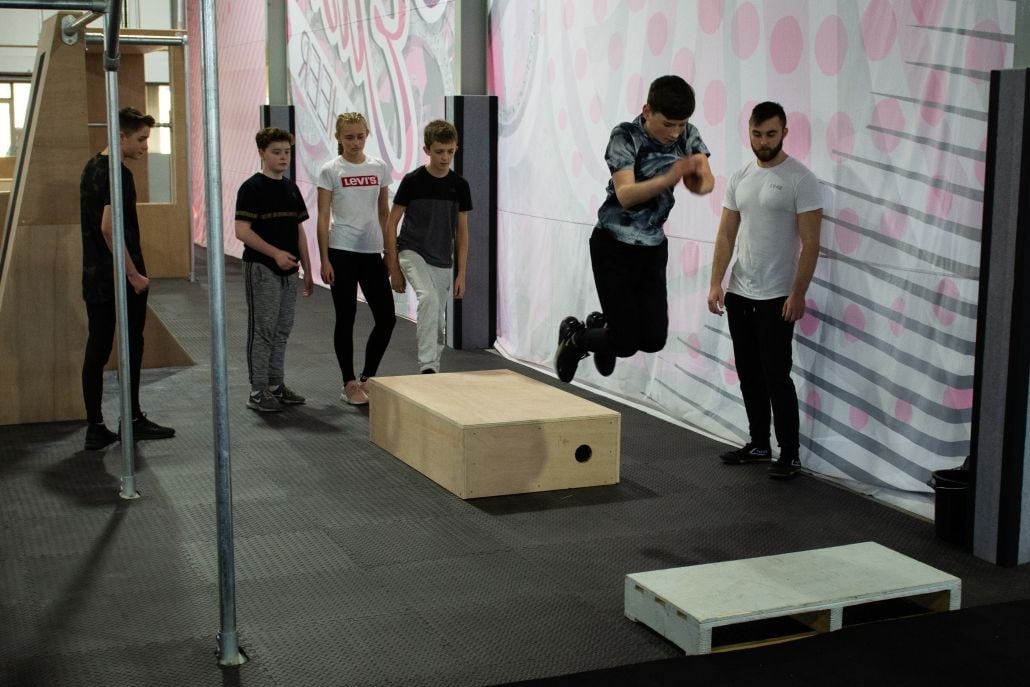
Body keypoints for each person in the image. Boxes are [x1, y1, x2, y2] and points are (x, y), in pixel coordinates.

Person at [554, 75, 714, 383]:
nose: (675, 132)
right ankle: (575, 338)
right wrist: (670, 177)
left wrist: (698, 180)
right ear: (647, 111)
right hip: (613, 244)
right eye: (668, 124)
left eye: (681, 124)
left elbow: (705, 179)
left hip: (652, 247)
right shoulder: (625, 136)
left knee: (654, 340)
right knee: (625, 344)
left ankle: (601, 326)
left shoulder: (687, 134)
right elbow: (626, 195)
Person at [707, 101, 823, 479]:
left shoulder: (800, 179)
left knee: (777, 375)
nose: (763, 141)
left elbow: (811, 243)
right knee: (748, 373)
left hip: (778, 296)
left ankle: (789, 452)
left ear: (784, 132)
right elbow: (726, 234)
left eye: (771, 134)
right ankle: (759, 443)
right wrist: (716, 283)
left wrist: (798, 292)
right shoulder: (740, 176)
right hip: (741, 292)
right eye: (757, 134)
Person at [79, 106, 175, 450]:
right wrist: (133, 274)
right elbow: (109, 227)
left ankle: (96, 425)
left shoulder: (92, 167)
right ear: (120, 136)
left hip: (95, 275)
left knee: (99, 346)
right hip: (118, 276)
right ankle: (131, 419)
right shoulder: (117, 174)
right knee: (129, 345)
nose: (146, 146)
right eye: (141, 139)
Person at [383, 119, 472, 374]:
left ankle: (434, 369)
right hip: (411, 250)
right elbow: (391, 223)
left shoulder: (460, 186)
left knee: (438, 321)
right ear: (427, 150)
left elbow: (462, 232)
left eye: (450, 151)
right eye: (439, 151)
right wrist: (393, 268)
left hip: (443, 258)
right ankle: (427, 367)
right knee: (429, 298)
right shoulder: (413, 181)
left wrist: (461, 274)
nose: (445, 158)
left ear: (456, 148)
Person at [235, 127, 313, 412]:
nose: (283, 158)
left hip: (289, 271)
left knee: (282, 329)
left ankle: (276, 384)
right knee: (263, 330)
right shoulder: (251, 188)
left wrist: (307, 268)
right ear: (261, 153)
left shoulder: (291, 189)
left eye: (287, 152)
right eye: (276, 152)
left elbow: (299, 229)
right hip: (261, 268)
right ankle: (258, 390)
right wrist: (275, 253)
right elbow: (242, 231)